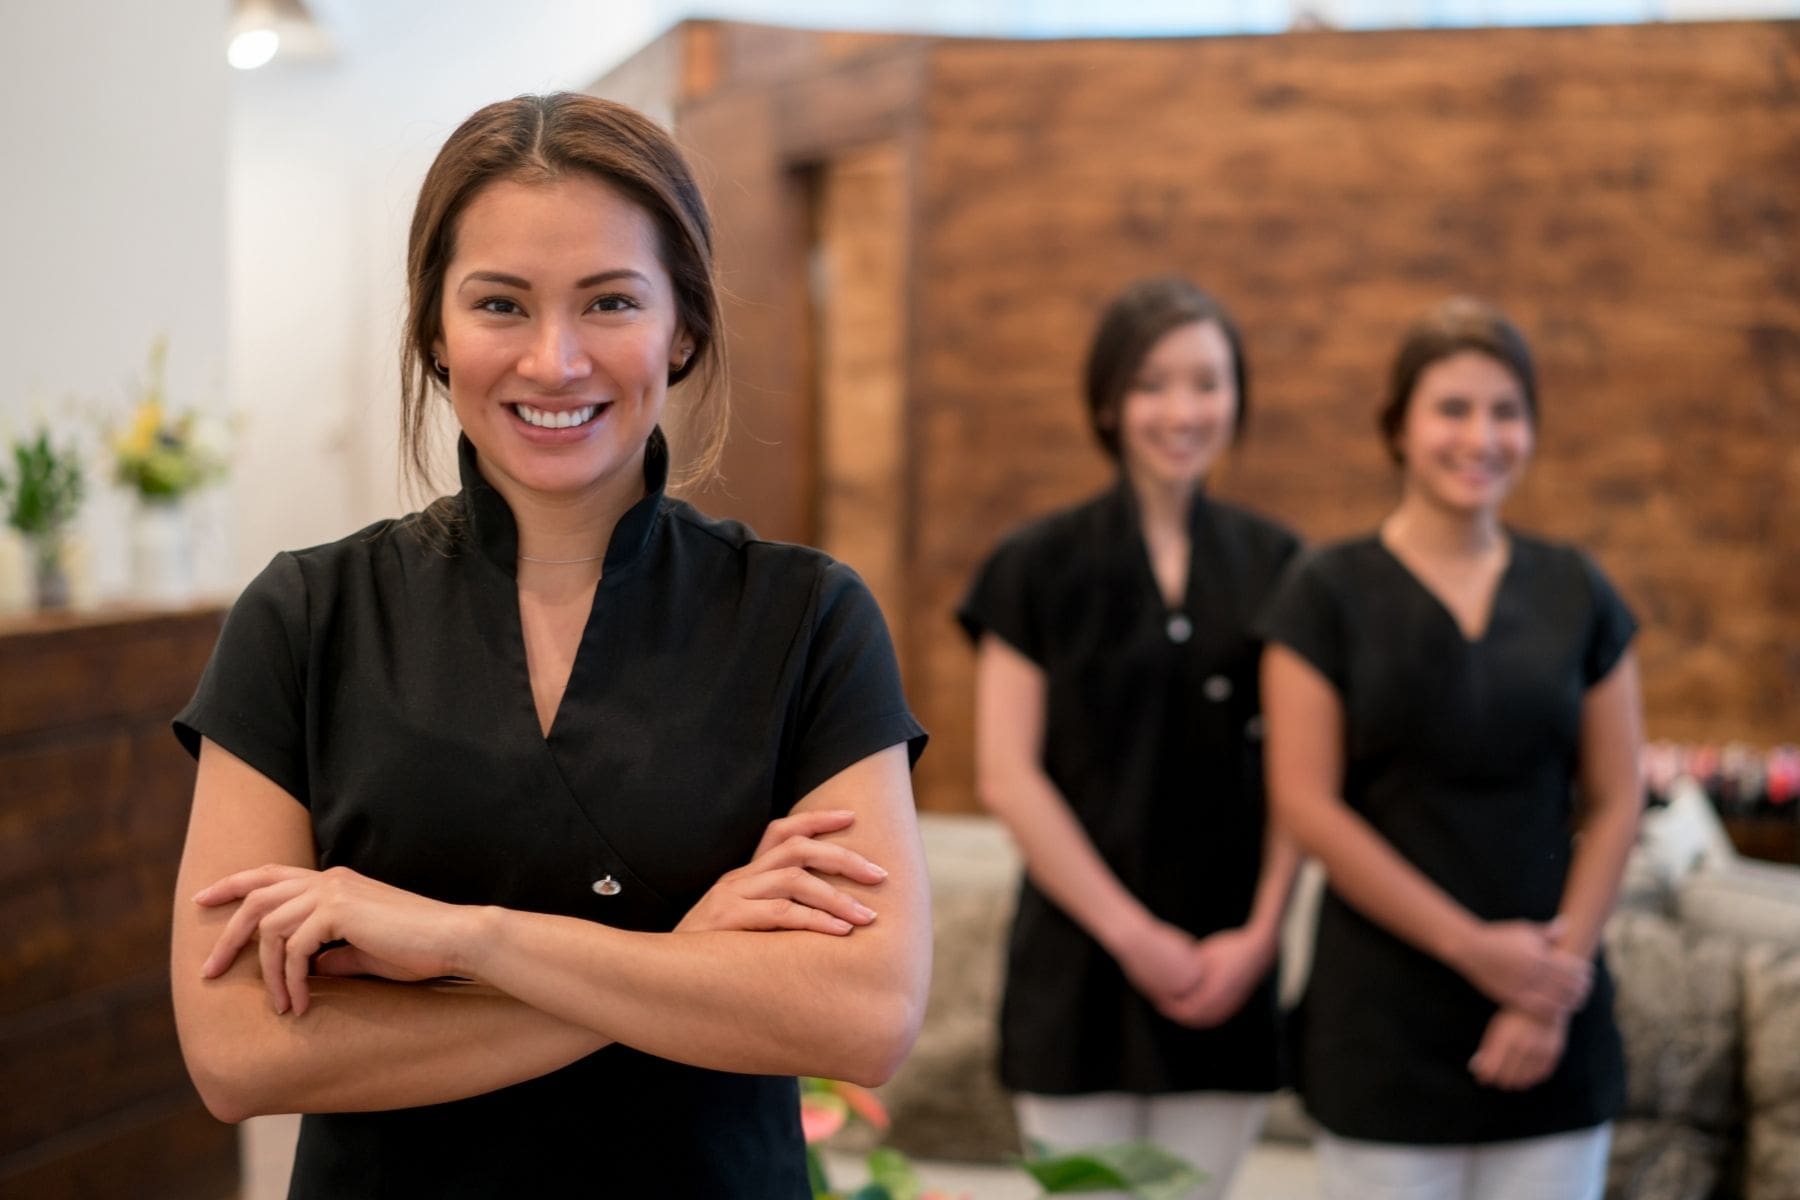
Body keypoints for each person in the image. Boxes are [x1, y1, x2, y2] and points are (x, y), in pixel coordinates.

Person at [168, 93, 931, 1198]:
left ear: (684, 328)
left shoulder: (805, 620)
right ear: (436, 328)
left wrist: (463, 942)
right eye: (501, 305)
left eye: (610, 301)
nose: (554, 358)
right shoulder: (304, 617)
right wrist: (681, 966)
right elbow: (236, 1051)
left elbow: (864, 1018)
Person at [1259, 297, 1644, 1200]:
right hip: (1385, 1025)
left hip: (1555, 1018)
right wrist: (1476, 950)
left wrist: (1547, 985)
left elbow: (1619, 796)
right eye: (1452, 409)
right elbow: (1306, 804)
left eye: (1506, 411)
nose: (1481, 436)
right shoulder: (1324, 590)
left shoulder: (1576, 588)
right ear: (1398, 427)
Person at [957, 277, 1303, 1199]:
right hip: (1077, 972)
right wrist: (1135, 934)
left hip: (1229, 965)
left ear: (1238, 398)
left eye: (1208, 383)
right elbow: (1007, 776)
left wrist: (1261, 937)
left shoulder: (1284, 569)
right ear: (1109, 400)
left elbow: (1304, 780)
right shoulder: (1034, 567)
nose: (1183, 410)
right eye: (1154, 384)